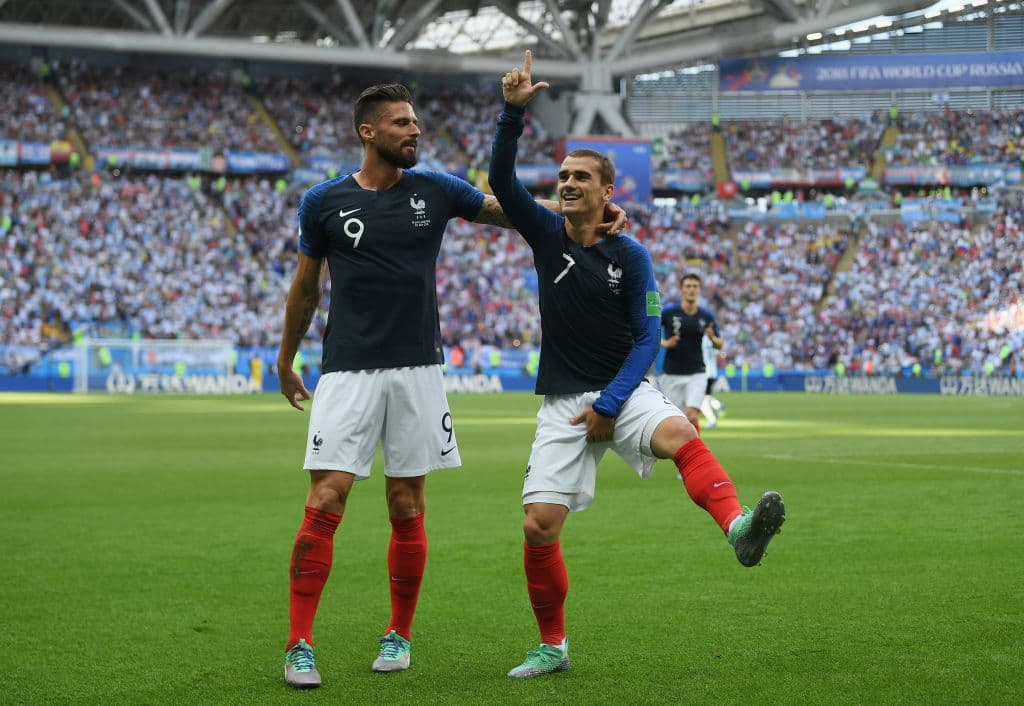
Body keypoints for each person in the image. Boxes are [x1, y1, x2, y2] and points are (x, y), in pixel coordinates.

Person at [276, 82, 626, 689]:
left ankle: (399, 634)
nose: (415, 131)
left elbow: (510, 211)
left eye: (416, 122)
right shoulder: (323, 202)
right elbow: (306, 287)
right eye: (401, 123)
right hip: (346, 370)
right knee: (327, 496)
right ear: (368, 132)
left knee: (406, 504)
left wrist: (587, 216)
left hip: (418, 369)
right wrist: (285, 358)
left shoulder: (436, 189)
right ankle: (299, 643)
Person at [488, 51, 786, 680]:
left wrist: (611, 404)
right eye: (563, 175)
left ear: (607, 191)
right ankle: (553, 646)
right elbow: (503, 180)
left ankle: (738, 529)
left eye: (580, 178)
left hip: (623, 390)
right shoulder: (544, 235)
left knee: (682, 433)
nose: (566, 183)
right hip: (563, 402)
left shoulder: (634, 256)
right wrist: (511, 115)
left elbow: (649, 338)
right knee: (539, 526)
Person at [660, 273, 723, 432]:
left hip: (697, 372)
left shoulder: (706, 316)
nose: (691, 290)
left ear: (699, 290)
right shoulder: (668, 313)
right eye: (688, 286)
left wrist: (712, 338)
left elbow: (719, 344)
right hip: (671, 373)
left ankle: (695, 455)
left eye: (695, 286)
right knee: (675, 421)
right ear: (681, 289)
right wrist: (666, 343)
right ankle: (681, 452)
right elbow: (649, 332)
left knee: (692, 415)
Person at [700, 329, 726, 429]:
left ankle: (712, 420)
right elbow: (719, 356)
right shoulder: (713, 340)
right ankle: (718, 405)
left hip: (703, 372)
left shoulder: (701, 339)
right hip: (712, 372)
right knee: (705, 396)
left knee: (701, 398)